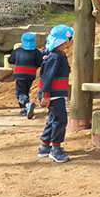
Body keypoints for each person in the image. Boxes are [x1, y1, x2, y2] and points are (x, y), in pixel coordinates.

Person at [37, 25, 74, 163]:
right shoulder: (55, 57)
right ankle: (55, 148)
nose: (72, 41)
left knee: (53, 118)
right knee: (60, 120)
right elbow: (47, 77)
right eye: (71, 39)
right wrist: (45, 95)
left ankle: (45, 146)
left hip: (57, 94)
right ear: (64, 41)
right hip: (52, 95)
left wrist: (66, 93)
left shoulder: (59, 56)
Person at [8, 32, 43, 118]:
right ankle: (24, 109)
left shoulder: (17, 51)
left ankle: (27, 103)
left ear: (22, 41)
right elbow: (40, 63)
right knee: (25, 91)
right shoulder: (37, 53)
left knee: (19, 93)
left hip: (19, 74)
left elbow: (10, 60)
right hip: (30, 75)